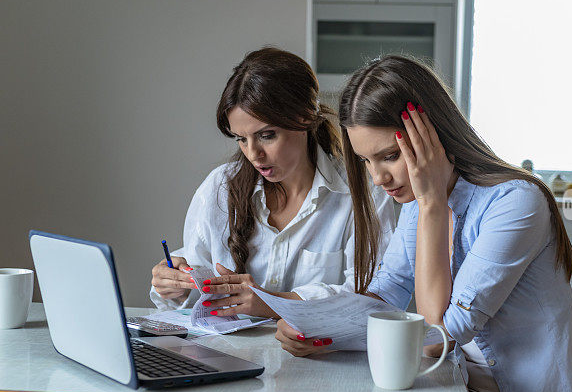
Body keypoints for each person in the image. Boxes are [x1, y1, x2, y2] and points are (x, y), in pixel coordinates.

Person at [274, 55, 572, 392]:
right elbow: (387, 290)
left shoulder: (515, 202)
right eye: (365, 161)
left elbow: (443, 325)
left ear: (431, 136)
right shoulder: (420, 201)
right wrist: (322, 329)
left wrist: (433, 201)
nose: (378, 178)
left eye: (388, 156)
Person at [149, 47, 395, 318]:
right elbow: (199, 285)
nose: (254, 154)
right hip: (227, 355)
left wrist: (273, 303)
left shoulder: (364, 191)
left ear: (305, 118)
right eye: (241, 139)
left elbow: (374, 298)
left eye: (266, 135)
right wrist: (176, 286)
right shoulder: (219, 188)